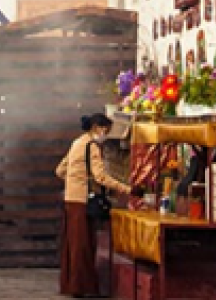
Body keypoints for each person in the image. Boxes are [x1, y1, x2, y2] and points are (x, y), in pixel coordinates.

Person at [54, 114, 139, 298]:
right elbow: (101, 177)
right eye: (106, 130)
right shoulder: (91, 146)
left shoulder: (77, 142)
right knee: (83, 245)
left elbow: (60, 170)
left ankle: (70, 284)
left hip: (70, 200)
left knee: (73, 244)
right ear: (96, 128)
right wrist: (127, 188)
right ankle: (80, 287)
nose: (105, 135)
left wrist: (74, 181)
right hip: (81, 201)